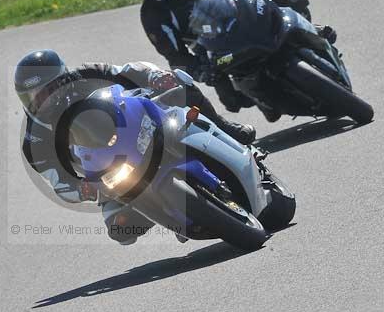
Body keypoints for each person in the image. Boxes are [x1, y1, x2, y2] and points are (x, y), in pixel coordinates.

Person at [14, 49, 255, 245]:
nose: (40, 101)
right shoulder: (34, 142)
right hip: (109, 172)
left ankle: (227, 129)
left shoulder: (86, 75)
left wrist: (155, 77)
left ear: (63, 80)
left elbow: (128, 72)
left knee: (183, 86)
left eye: (46, 91)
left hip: (141, 128)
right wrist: (82, 189)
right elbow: (59, 181)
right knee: (121, 228)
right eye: (32, 97)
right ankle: (174, 214)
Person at [130, 0, 336, 115]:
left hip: (235, 7)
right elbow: (175, 55)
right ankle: (262, 97)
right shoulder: (152, 14)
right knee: (232, 101)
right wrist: (199, 70)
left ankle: (313, 31)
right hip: (208, 45)